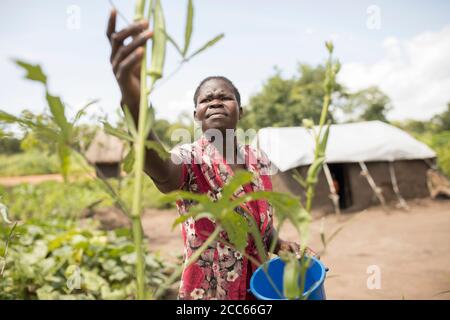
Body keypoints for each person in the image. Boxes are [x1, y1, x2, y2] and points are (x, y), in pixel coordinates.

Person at [106, 9, 303, 300]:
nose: (215, 102)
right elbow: (161, 167)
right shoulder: (191, 157)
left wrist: (281, 244)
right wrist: (134, 102)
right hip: (210, 290)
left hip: (260, 289)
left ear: (240, 110)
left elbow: (262, 228)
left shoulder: (258, 159)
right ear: (196, 114)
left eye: (225, 97)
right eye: (205, 99)